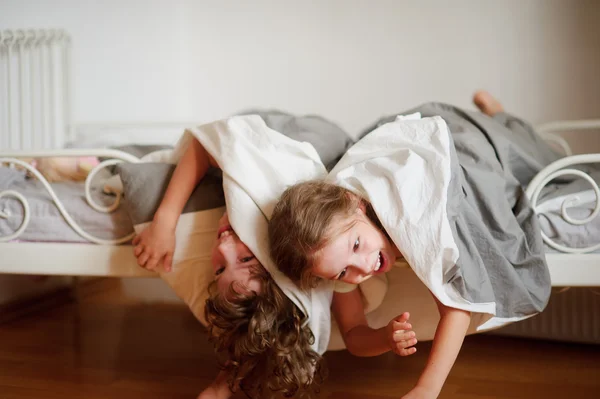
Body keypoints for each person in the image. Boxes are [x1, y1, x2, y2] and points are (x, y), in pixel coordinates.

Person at [268, 91, 560, 399]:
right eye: (342, 273)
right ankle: (497, 116)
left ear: (355, 203)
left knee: (528, 156)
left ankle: (497, 115)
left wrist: (426, 388)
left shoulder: (407, 210)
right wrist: (384, 338)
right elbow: (354, 335)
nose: (362, 266)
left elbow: (456, 304)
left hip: (456, 143)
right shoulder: (331, 255)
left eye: (357, 245)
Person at [131, 115, 421, 398]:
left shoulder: (261, 203)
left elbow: (209, 144)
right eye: (245, 261)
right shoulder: (323, 270)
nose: (223, 248)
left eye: (219, 270)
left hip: (294, 131)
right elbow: (355, 334)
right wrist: (385, 338)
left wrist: (165, 221)